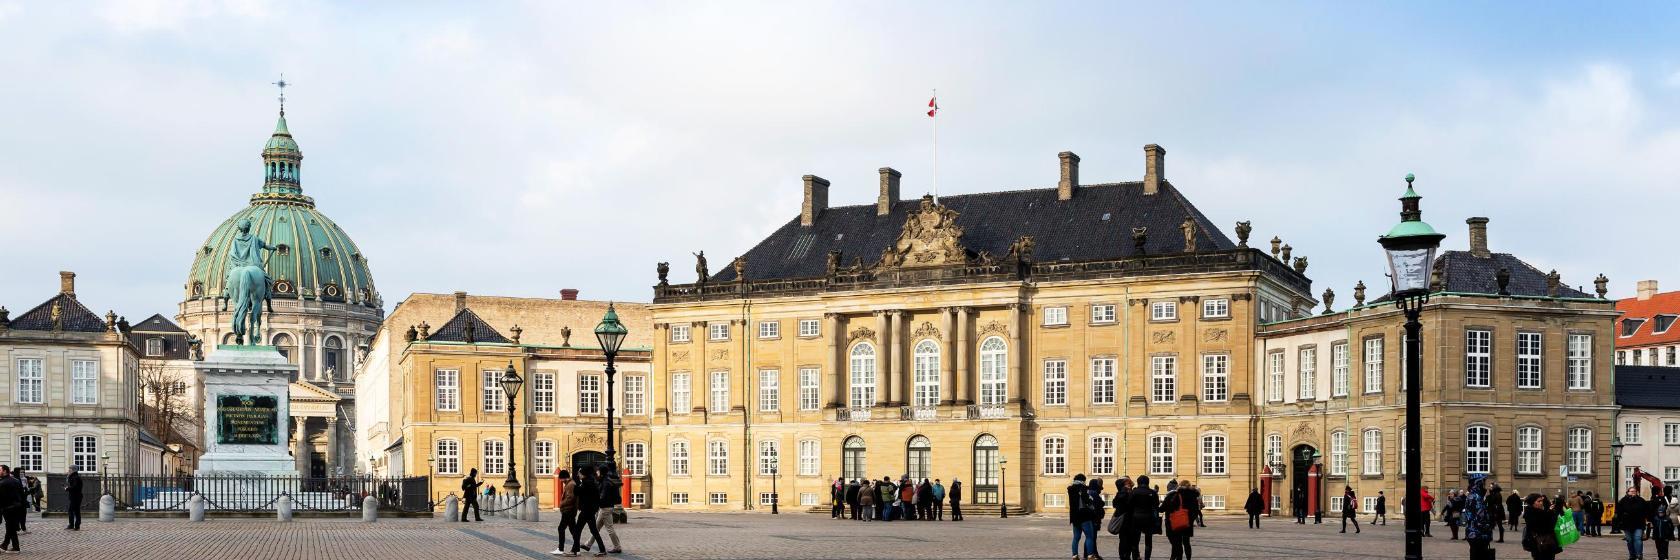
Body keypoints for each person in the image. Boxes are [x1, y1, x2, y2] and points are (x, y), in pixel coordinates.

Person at [584, 467, 622, 555]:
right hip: (605, 507)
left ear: (601, 473)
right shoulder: (605, 481)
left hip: (605, 508)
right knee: (597, 528)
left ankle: (617, 547)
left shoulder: (606, 483)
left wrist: (594, 502)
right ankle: (588, 544)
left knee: (609, 528)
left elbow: (602, 497)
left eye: (598, 472)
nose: (597, 473)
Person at [568, 468, 606, 557]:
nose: (578, 475)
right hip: (590, 510)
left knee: (577, 531)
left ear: (583, 474)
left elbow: (577, 492)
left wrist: (575, 483)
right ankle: (602, 549)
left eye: (579, 473)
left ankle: (575, 551)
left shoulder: (586, 483)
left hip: (586, 511)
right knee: (594, 531)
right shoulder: (591, 482)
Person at [1463, 475, 1494, 560]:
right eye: (1483, 483)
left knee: (1475, 553)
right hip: (1478, 534)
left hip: (1474, 533)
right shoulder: (1476, 497)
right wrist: (1488, 525)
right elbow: (1481, 517)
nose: (1485, 486)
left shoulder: (1473, 495)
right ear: (1478, 484)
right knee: (1479, 554)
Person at [1161, 479, 1193, 560]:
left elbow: (1163, 508)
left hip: (1175, 522)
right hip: (1186, 523)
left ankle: (1175, 557)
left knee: (1176, 543)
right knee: (1186, 543)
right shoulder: (1191, 496)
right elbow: (1195, 510)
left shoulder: (1173, 495)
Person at [1522, 493, 1561, 560]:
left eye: (1541, 501)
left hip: (1544, 544)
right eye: (1539, 501)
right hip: (1541, 544)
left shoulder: (1539, 512)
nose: (1541, 503)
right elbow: (1546, 526)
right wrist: (1551, 513)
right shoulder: (1533, 513)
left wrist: (1550, 512)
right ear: (1532, 503)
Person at [1616, 485, 1648, 560]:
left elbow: (1646, 511)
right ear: (1627, 492)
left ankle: (1639, 555)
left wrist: (1645, 519)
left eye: (1634, 491)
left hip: (1639, 524)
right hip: (1627, 524)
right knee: (1629, 540)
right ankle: (1632, 555)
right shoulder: (1623, 501)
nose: (1633, 492)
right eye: (1631, 491)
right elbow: (1619, 512)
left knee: (1637, 539)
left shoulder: (1641, 500)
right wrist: (1620, 522)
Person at [1069, 474, 1096, 560]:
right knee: (1089, 537)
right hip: (1084, 516)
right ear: (1083, 480)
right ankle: (1090, 555)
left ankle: (1075, 556)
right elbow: (1087, 500)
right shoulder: (1082, 488)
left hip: (1074, 517)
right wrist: (1091, 499)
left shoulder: (1071, 489)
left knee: (1076, 538)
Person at [551, 469, 575, 555]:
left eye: (560, 479)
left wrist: (561, 504)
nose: (560, 481)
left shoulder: (570, 485)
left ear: (564, 478)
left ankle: (561, 548)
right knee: (573, 529)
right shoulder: (569, 484)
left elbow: (570, 498)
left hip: (568, 510)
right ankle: (576, 548)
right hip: (569, 510)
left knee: (561, 528)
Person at [0, 466, 20, 553]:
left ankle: (11, 547)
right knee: (11, 527)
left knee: (10, 527)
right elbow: (22, 494)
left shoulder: (2, 483)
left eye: (0, 470)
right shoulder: (16, 480)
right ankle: (8, 545)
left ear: (5, 471)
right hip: (17, 507)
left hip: (8, 508)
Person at [1651, 485, 1674, 560]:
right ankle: (1664, 556)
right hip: (1664, 519)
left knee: (1661, 544)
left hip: (1659, 520)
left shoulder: (1655, 499)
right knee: (1663, 544)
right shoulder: (1667, 499)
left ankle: (1662, 556)